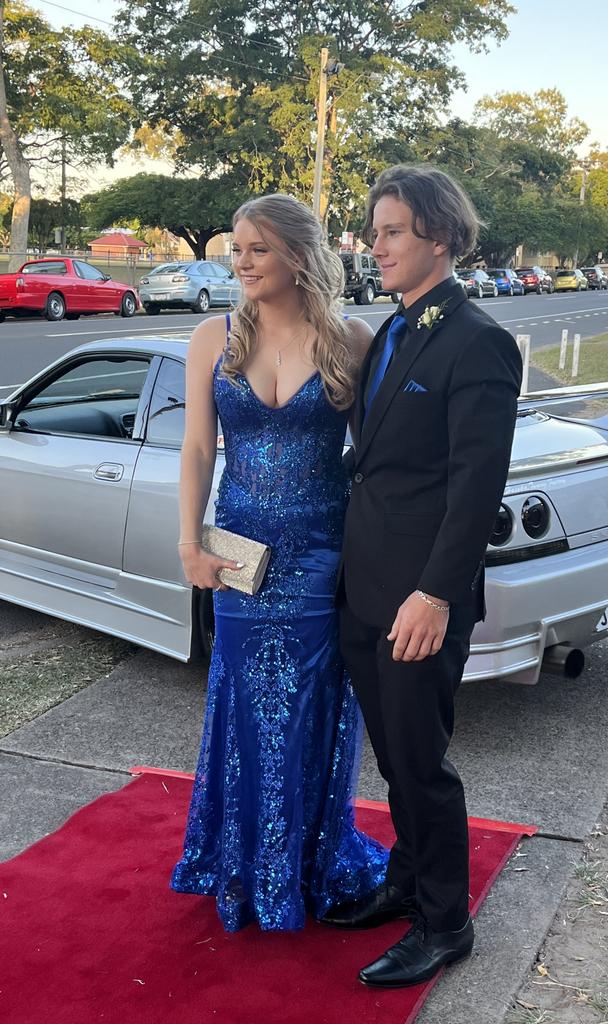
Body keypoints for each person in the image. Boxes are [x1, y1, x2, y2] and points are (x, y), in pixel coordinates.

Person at [322, 165, 522, 987]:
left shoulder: (477, 341)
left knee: (421, 763)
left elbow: (476, 488)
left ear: (438, 235)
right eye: (374, 232)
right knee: (394, 758)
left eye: (392, 230)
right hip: (364, 587)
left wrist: (436, 593)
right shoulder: (391, 331)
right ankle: (406, 882)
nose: (377, 245)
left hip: (420, 600)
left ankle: (445, 922)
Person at [171, 194, 387, 932]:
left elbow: (378, 456)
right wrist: (189, 543)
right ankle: (241, 863)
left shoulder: (350, 339)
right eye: (237, 249)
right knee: (242, 708)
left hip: (322, 556)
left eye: (257, 249)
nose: (242, 263)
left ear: (297, 254)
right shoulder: (214, 336)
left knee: (309, 711)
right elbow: (198, 448)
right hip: (238, 558)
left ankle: (305, 862)